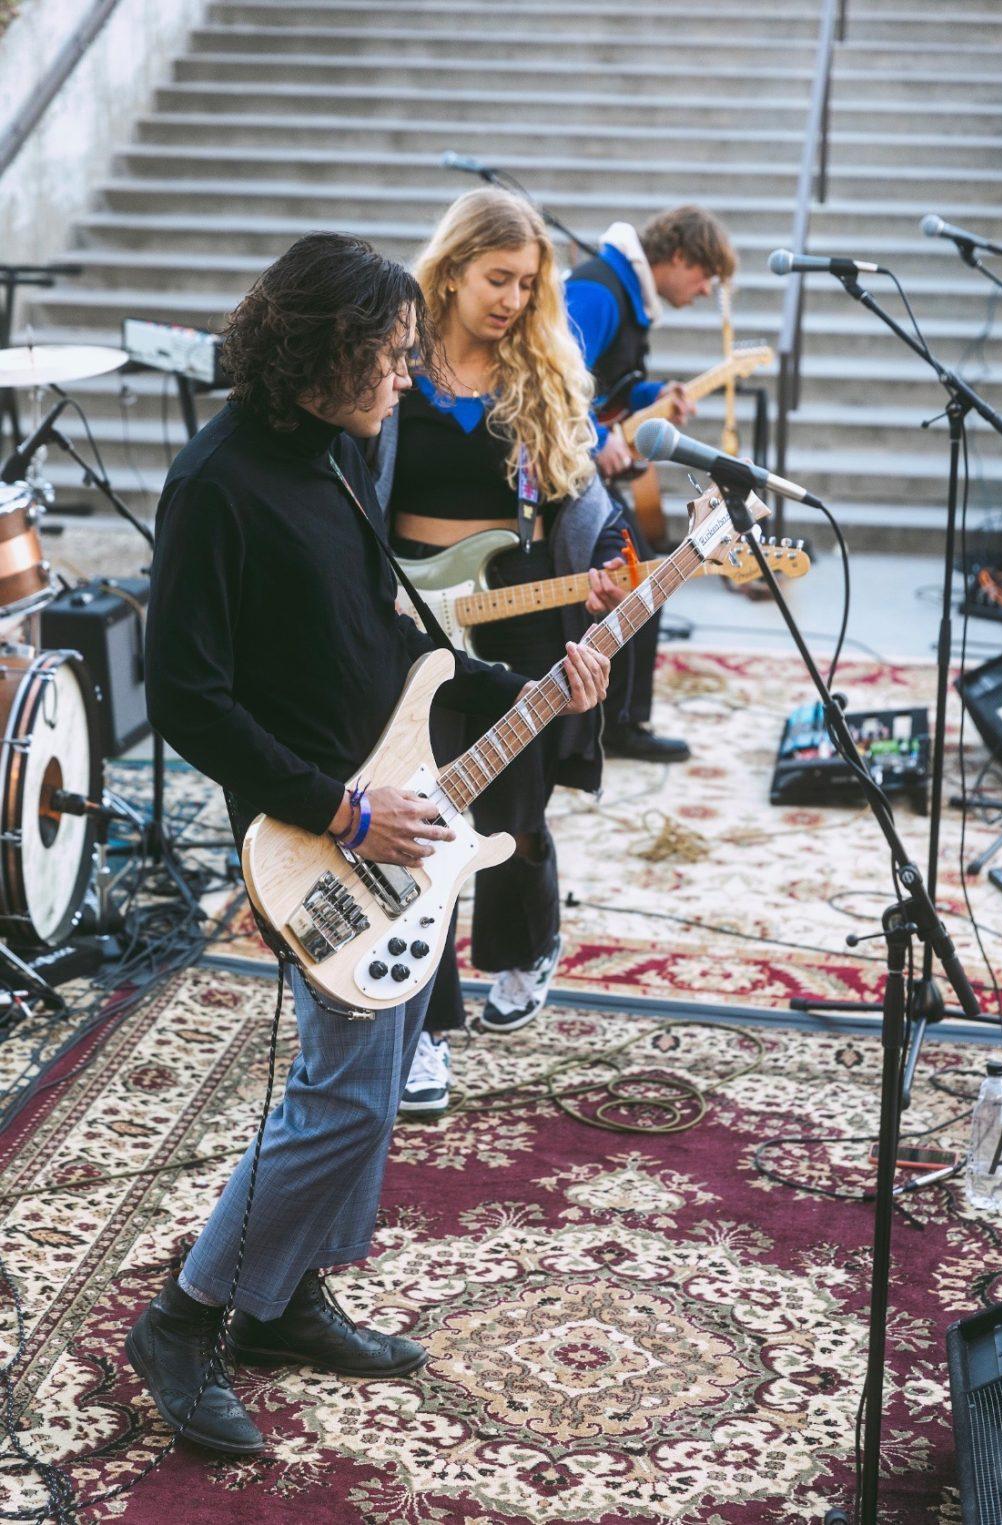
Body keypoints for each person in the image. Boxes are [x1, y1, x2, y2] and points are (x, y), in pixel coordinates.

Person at [128, 232, 610, 1454]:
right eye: (391, 355)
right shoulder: (216, 480)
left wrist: (530, 683)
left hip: (393, 809)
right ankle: (184, 1320)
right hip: (313, 833)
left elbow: (395, 639)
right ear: (327, 347)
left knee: (380, 1076)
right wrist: (337, 808)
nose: (407, 373)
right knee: (342, 1098)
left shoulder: (343, 452)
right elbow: (186, 697)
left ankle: (285, 1297)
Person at [367, 188, 626, 1117]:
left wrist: (602, 567)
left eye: (527, 282)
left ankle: (525, 945)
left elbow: (587, 504)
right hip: (405, 619)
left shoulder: (541, 374)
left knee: (512, 815)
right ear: (452, 266)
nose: (513, 298)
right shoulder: (391, 358)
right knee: (423, 817)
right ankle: (427, 1030)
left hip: (516, 618)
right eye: (497, 278)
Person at [565, 204, 737, 764]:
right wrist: (594, 434)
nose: (704, 288)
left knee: (643, 578)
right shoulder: (600, 289)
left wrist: (656, 394)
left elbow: (606, 383)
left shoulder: (623, 288)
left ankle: (618, 721)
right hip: (560, 466)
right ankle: (616, 726)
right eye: (704, 274)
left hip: (579, 458)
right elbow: (555, 378)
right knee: (641, 580)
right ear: (679, 255)